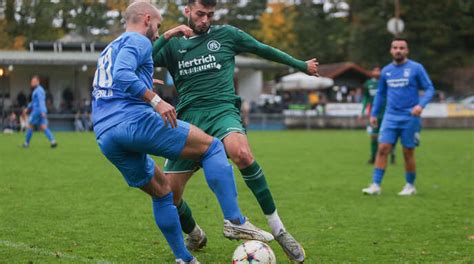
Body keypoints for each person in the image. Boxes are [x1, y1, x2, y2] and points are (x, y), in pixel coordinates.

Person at [91, 2, 272, 264]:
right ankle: (235, 220)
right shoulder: (138, 39)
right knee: (212, 147)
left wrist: (144, 77)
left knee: (163, 191)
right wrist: (156, 100)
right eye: (158, 25)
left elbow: (112, 79)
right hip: (133, 122)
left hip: (105, 134)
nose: (156, 32)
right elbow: (121, 75)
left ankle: (184, 259)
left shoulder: (110, 48)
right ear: (146, 19)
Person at [152, 1, 319, 262]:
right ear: (187, 11)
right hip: (188, 119)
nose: (205, 20)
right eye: (200, 14)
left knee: (241, 153)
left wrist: (301, 65)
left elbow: (262, 49)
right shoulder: (174, 44)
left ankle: (279, 230)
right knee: (168, 196)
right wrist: (167, 36)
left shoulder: (227, 35)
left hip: (222, 111)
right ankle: (195, 233)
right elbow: (144, 58)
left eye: (210, 15)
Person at [362, 37, 435, 196]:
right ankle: (375, 185)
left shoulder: (416, 68)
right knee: (382, 149)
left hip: (410, 117)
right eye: (395, 47)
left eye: (401, 48)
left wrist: (420, 106)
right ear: (391, 50)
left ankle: (410, 185)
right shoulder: (386, 71)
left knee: (408, 152)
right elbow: (381, 94)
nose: (398, 50)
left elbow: (429, 89)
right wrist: (374, 113)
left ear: (406, 51)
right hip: (390, 116)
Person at [360, 66, 395, 164]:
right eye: (375, 70)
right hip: (374, 115)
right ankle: (373, 157)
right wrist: (362, 111)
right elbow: (366, 98)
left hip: (386, 114)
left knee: (389, 136)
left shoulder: (386, 82)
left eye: (378, 70)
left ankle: (392, 156)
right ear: (372, 72)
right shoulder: (368, 84)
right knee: (374, 136)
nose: (377, 72)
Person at [22, 76, 57, 148]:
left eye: (33, 81)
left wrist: (43, 111)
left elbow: (41, 102)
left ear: (38, 82)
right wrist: (28, 108)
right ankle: (53, 141)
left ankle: (26, 143)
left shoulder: (38, 91)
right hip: (40, 111)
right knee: (43, 126)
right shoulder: (39, 90)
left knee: (30, 125)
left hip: (37, 111)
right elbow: (34, 101)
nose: (32, 83)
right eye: (31, 81)